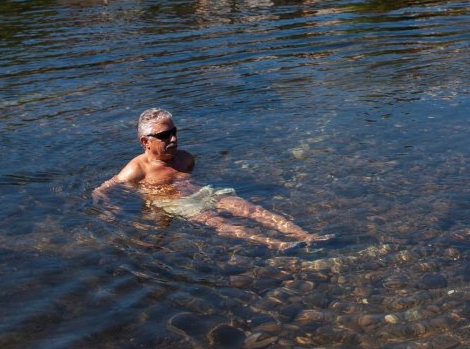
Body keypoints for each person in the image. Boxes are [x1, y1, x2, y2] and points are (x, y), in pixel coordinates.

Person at [93, 108, 331, 252]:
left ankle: (306, 236)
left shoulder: (185, 158)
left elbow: (193, 178)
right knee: (220, 223)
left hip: (203, 192)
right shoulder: (135, 170)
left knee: (252, 209)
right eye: (165, 135)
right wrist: (111, 210)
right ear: (145, 141)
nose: (173, 138)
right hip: (176, 203)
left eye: (174, 131)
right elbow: (100, 191)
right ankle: (276, 244)